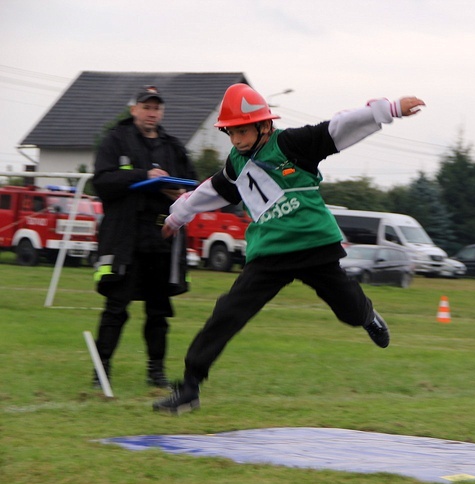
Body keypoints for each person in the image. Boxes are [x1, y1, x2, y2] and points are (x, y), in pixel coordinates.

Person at [152, 83, 425, 414]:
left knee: (349, 312)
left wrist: (390, 109)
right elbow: (210, 191)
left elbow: (338, 127)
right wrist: (178, 215)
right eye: (230, 133)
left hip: (314, 247)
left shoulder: (293, 144)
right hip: (269, 256)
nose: (236, 140)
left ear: (264, 125)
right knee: (226, 315)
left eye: (242, 131)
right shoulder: (236, 164)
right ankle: (190, 388)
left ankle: (367, 315)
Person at [92, 85, 198, 389]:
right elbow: (101, 182)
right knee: (116, 308)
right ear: (134, 109)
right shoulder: (115, 139)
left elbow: (192, 187)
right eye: (146, 107)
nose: (151, 113)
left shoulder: (173, 147)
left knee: (158, 312)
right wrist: (142, 176)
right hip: (126, 239)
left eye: (156, 108)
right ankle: (102, 372)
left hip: (161, 238)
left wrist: (176, 191)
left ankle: (157, 372)